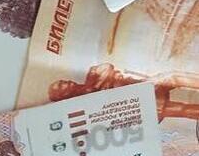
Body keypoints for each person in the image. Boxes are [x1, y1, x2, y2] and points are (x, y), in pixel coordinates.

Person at [49, 63, 199, 122]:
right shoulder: (85, 107)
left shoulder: (91, 77)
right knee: (181, 109)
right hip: (140, 104)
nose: (65, 83)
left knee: (172, 77)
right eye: (61, 87)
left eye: (62, 81)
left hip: (144, 84)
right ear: (64, 96)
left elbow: (107, 67)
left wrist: (96, 86)